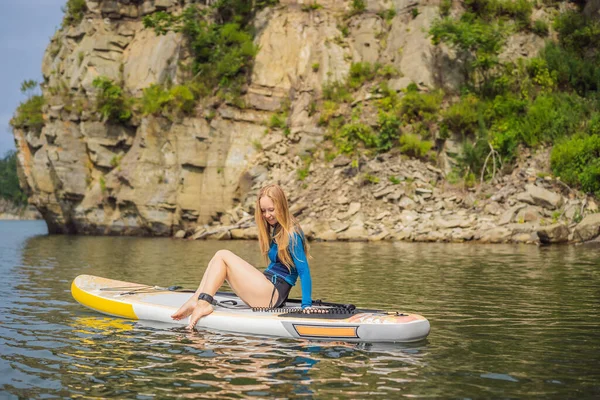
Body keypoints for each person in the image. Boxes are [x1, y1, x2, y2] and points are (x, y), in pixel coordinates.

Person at [171, 183, 313, 330]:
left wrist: (306, 306)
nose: (267, 215)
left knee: (222, 255)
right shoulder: (277, 229)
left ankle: (203, 303)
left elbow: (304, 271)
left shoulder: (292, 233)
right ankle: (197, 300)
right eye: (263, 211)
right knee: (218, 258)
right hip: (267, 287)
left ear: (282, 206)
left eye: (271, 210)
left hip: (272, 295)